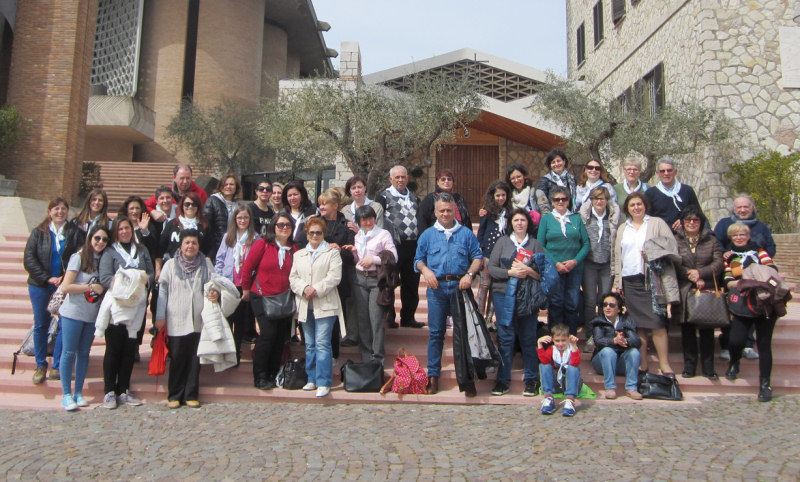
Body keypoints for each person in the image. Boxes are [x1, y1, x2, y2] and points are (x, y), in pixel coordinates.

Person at [414, 193, 482, 395]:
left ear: (454, 211)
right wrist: (426, 271)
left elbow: (477, 257)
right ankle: (433, 377)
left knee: (464, 334)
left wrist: (470, 275)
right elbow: (418, 260)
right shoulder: (427, 235)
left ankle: (467, 378)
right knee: (436, 334)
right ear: (435, 212)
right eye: (442, 210)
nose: (445, 214)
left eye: (449, 210)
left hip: (460, 288)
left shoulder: (465, 234)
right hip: (437, 290)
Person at [613, 192, 677, 376]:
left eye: (639, 204)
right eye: (632, 205)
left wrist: (652, 252)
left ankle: (664, 364)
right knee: (638, 325)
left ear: (645, 206)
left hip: (652, 280)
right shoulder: (623, 228)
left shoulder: (657, 223)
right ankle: (643, 363)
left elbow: (672, 246)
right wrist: (618, 282)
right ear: (627, 209)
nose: (636, 208)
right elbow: (617, 256)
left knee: (657, 322)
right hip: (630, 280)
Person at [155, 229, 218, 409]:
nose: (190, 246)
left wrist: (215, 293)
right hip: (176, 317)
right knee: (177, 356)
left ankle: (191, 394)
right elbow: (163, 291)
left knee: (194, 358)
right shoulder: (170, 264)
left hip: (198, 317)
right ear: (181, 245)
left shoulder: (206, 264)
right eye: (187, 243)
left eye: (194, 243)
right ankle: (174, 394)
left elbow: (214, 285)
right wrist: (160, 315)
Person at [24, 197, 83, 384]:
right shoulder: (38, 233)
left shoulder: (74, 233)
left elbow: (82, 256)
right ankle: (41, 364)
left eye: (63, 208)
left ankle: (57, 365)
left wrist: (66, 277)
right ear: (49, 212)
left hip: (65, 286)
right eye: (56, 209)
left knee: (64, 324)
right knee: (41, 324)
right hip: (41, 285)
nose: (60, 212)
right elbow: (29, 259)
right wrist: (47, 277)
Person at [98, 216, 155, 409]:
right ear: (116, 231)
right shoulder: (110, 252)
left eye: (127, 228)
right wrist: (127, 282)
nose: (124, 231)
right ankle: (109, 390)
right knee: (113, 349)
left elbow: (150, 272)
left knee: (129, 349)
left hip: (137, 307)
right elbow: (105, 277)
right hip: (117, 306)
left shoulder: (141, 249)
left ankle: (123, 389)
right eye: (120, 229)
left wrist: (142, 281)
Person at [487, 207, 545, 397]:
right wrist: (510, 272)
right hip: (503, 295)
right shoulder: (502, 242)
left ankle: (531, 380)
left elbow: (543, 273)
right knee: (506, 338)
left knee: (528, 338)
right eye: (516, 220)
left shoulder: (535, 244)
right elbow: (492, 269)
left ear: (528, 223)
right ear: (511, 223)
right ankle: (502, 381)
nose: (519, 223)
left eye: (523, 220)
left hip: (527, 297)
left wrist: (527, 271)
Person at [714, 194, 775, 361]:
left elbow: (770, 246)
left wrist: (762, 261)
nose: (742, 210)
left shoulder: (761, 227)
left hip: (756, 278)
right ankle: (727, 345)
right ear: (734, 209)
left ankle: (748, 345)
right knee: (731, 311)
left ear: (752, 208)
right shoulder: (724, 224)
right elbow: (716, 242)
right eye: (739, 207)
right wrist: (725, 254)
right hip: (731, 273)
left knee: (753, 309)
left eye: (745, 207)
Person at [722, 222, 779, 402]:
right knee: (736, 340)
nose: (739, 238)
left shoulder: (759, 251)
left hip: (764, 303)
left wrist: (747, 281)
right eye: (735, 235)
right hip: (742, 303)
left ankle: (765, 385)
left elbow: (772, 270)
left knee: (764, 344)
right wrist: (751, 280)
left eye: (742, 234)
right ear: (731, 238)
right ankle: (734, 362)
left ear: (748, 236)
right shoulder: (729, 255)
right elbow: (729, 280)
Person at [289, 217, 345, 398]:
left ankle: (323, 381)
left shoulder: (332, 253)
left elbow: (334, 277)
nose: (315, 236)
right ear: (306, 234)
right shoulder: (299, 255)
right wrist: (304, 288)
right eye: (311, 232)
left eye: (318, 233)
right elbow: (293, 277)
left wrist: (316, 289)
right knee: (310, 344)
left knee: (322, 343)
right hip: (305, 304)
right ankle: (311, 378)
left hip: (325, 304)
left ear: (323, 234)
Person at [296, 189, 354, 362]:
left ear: (335, 205)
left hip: (336, 282)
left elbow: (351, 255)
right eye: (320, 204)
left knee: (332, 322)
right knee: (310, 320)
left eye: (324, 204)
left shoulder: (346, 225)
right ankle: (311, 357)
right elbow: (300, 245)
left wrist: (339, 249)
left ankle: (333, 355)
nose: (321, 207)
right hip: (311, 280)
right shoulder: (313, 222)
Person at [241, 214, 297, 390]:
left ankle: (273, 374)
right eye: (280, 224)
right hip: (262, 296)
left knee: (280, 338)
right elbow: (248, 266)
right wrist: (245, 289)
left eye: (288, 224)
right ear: (273, 226)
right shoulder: (263, 244)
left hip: (284, 298)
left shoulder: (294, 248)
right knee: (268, 335)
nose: (284, 227)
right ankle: (260, 376)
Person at [57, 225, 109, 410]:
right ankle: (66, 394)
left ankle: (78, 392)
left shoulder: (104, 259)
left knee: (84, 353)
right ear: (90, 238)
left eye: (104, 239)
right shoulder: (78, 257)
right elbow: (66, 286)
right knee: (68, 352)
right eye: (97, 238)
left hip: (91, 314)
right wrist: (90, 287)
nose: (100, 242)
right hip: (73, 312)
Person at [343, 205, 398, 364]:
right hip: (359, 279)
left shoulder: (383, 234)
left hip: (376, 280)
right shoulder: (359, 235)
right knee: (362, 319)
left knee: (376, 319)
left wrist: (373, 260)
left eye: (370, 218)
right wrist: (355, 252)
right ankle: (366, 355)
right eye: (364, 220)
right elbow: (359, 260)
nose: (368, 222)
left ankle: (377, 357)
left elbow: (393, 256)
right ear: (359, 221)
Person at [674, 205, 724, 379]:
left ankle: (709, 368)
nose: (692, 223)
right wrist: (691, 275)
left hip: (706, 288)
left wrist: (701, 273)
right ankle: (689, 366)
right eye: (688, 219)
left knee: (707, 331)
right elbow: (674, 262)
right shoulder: (676, 240)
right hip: (686, 289)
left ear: (701, 222)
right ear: (682, 222)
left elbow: (718, 263)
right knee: (687, 331)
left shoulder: (711, 240)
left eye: (695, 220)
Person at [378, 165, 425, 329]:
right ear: (390, 179)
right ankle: (389, 318)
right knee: (389, 282)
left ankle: (408, 318)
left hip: (412, 246)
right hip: (393, 246)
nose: (400, 180)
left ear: (407, 178)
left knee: (411, 283)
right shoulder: (383, 197)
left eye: (403, 177)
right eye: (397, 177)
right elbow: (378, 220)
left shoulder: (414, 198)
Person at [537, 186, 589, 334]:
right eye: (557, 199)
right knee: (556, 303)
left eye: (564, 199)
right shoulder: (546, 219)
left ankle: (571, 337)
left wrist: (575, 261)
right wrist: (556, 263)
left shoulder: (576, 219)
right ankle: (556, 338)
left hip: (575, 268)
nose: (560, 202)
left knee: (572, 303)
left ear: (568, 201)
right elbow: (540, 244)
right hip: (554, 269)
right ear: (552, 202)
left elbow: (586, 244)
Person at [340, 174, 384, 346]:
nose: (357, 190)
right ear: (349, 191)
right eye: (353, 188)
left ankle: (372, 339)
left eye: (360, 187)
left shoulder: (376, 207)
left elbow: (378, 230)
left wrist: (358, 230)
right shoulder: (345, 210)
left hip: (371, 260)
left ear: (365, 188)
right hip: (352, 258)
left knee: (372, 304)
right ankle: (353, 334)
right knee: (352, 298)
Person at [215, 205, 259, 364]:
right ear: (234, 219)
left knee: (241, 320)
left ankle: (236, 350)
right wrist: (219, 279)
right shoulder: (228, 237)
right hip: (228, 282)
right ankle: (226, 351)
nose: (242, 220)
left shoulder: (255, 238)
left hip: (244, 284)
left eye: (245, 217)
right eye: (239, 218)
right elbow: (219, 259)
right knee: (228, 318)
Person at [118, 195, 159, 361]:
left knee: (140, 311)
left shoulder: (147, 227)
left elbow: (153, 248)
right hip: (123, 280)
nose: (134, 211)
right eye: (131, 208)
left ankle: (134, 345)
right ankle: (120, 344)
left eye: (137, 208)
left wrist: (144, 231)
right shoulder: (120, 227)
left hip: (141, 279)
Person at [579, 186, 621, 339]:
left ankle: (604, 331)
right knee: (590, 300)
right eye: (596, 198)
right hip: (590, 262)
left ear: (607, 200)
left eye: (602, 199)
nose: (599, 202)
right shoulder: (585, 217)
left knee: (604, 299)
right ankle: (591, 333)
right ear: (591, 200)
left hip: (607, 263)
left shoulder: (613, 217)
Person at [590, 292, 643, 400]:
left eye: (612, 305)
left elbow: (636, 341)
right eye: (605, 305)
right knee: (608, 351)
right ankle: (610, 388)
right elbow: (598, 341)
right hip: (602, 361)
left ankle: (631, 388)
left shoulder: (626, 320)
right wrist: (614, 341)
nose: (607, 307)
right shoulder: (598, 322)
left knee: (634, 352)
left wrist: (625, 340)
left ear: (619, 309)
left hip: (621, 361)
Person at [476, 181, 513, 327]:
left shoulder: (510, 212)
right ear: (492, 196)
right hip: (488, 253)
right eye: (498, 195)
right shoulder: (487, 212)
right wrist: (480, 248)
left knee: (495, 287)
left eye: (503, 195)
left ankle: (490, 318)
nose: (501, 198)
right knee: (484, 285)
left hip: (503, 255)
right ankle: (478, 316)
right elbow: (481, 231)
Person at [157, 192, 210, 276]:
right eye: (187, 204)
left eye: (194, 204)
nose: (190, 206)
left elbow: (211, 248)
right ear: (182, 206)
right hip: (174, 268)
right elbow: (160, 249)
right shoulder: (172, 224)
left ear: (198, 207)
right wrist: (158, 270)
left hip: (198, 269)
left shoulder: (204, 225)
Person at [645, 157, 701, 231]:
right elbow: (647, 218)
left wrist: (684, 220)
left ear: (675, 172)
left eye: (669, 170)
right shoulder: (650, 194)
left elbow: (698, 214)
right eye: (662, 171)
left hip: (685, 234)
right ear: (657, 173)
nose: (666, 173)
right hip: (661, 234)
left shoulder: (687, 191)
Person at [537, 323, 581, 417]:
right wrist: (539, 343)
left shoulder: (572, 349)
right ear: (552, 339)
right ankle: (548, 398)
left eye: (563, 340)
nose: (560, 344)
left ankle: (570, 400)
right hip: (556, 383)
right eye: (557, 341)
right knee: (544, 366)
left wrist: (574, 345)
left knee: (573, 368)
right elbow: (544, 361)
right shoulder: (551, 349)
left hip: (570, 383)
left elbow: (575, 363)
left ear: (568, 339)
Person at [417, 168, 472, 234]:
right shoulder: (429, 199)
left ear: (453, 182)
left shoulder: (459, 199)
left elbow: (467, 220)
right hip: (437, 236)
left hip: (460, 235)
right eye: (443, 179)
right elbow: (422, 221)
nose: (446, 181)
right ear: (437, 182)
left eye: (449, 179)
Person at [204, 173, 241, 261]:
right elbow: (205, 225)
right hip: (216, 247)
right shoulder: (213, 201)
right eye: (225, 184)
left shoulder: (238, 206)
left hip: (232, 247)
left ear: (236, 187)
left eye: (231, 184)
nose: (228, 187)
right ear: (221, 187)